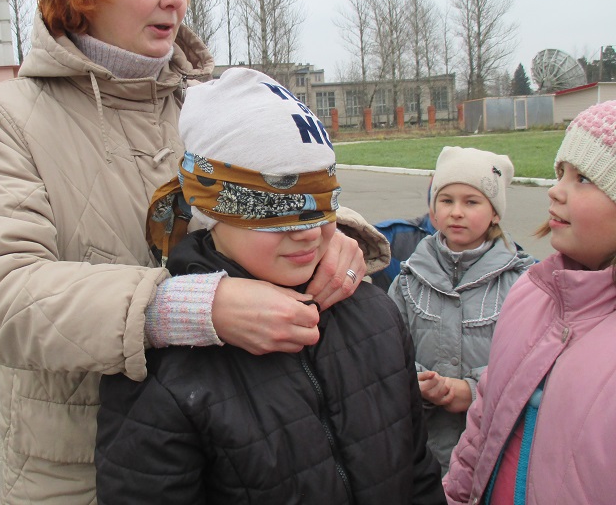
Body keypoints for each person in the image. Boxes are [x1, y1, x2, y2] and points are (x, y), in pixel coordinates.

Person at [0, 0, 367, 502]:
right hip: (78, 468)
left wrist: (336, 235)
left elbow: (281, 193)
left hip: (230, 450)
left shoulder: (211, 101)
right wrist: (186, 307)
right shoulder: (10, 117)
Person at [95, 68, 444, 505]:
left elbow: (418, 472)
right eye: (273, 207)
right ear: (211, 208)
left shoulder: (376, 315)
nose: (308, 231)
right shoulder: (165, 370)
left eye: (321, 202)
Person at [444, 101, 616, 505]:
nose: (555, 190)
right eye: (560, 173)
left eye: (583, 178)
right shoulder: (530, 293)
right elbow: (484, 421)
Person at [388, 146, 534, 474]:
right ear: (433, 209)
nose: (456, 212)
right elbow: (388, 350)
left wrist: (472, 391)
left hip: (494, 453)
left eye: (471, 202)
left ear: (495, 213)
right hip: (423, 452)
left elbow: (530, 361)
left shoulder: (522, 282)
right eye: (446, 200)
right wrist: (416, 381)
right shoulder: (408, 279)